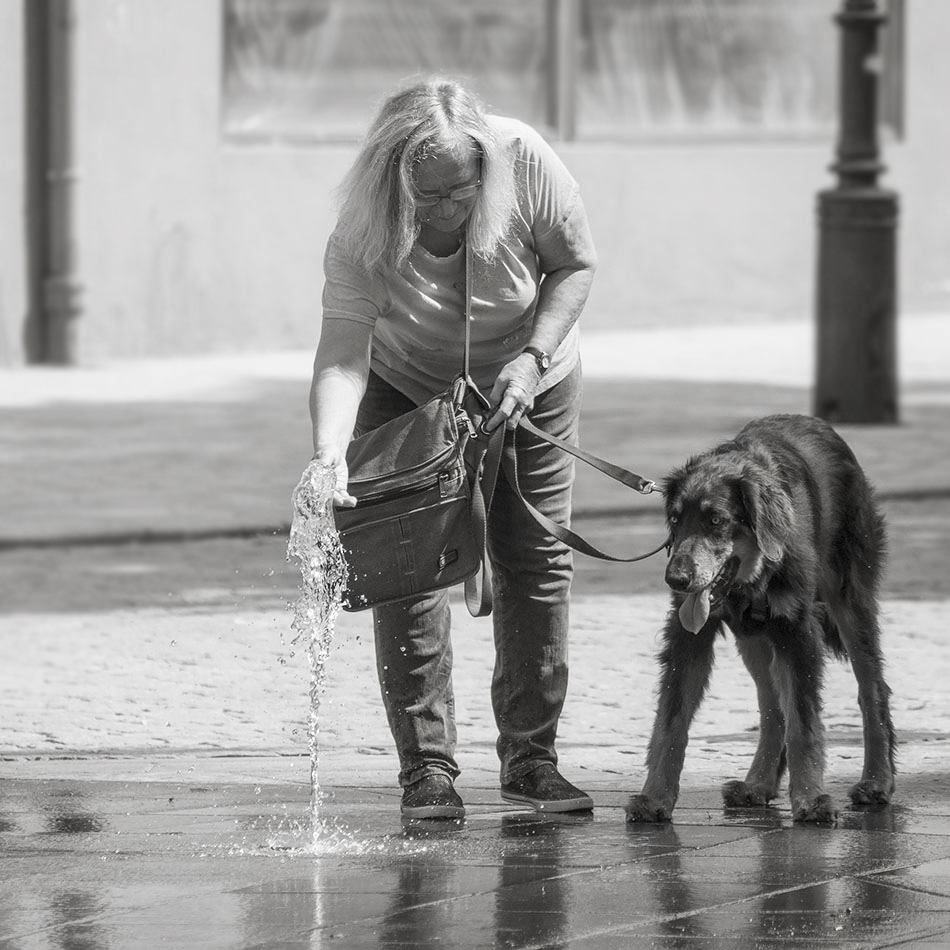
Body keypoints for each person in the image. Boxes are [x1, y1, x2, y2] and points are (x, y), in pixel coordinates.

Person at [309, 77, 598, 820]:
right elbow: (344, 352)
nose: (445, 209)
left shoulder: (526, 159)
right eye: (426, 196)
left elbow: (574, 263)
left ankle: (532, 760)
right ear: (392, 179)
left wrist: (532, 358)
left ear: (486, 167)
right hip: (405, 382)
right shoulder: (361, 229)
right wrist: (329, 451)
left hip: (527, 373)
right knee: (406, 572)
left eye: (460, 191)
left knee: (535, 558)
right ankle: (427, 770)